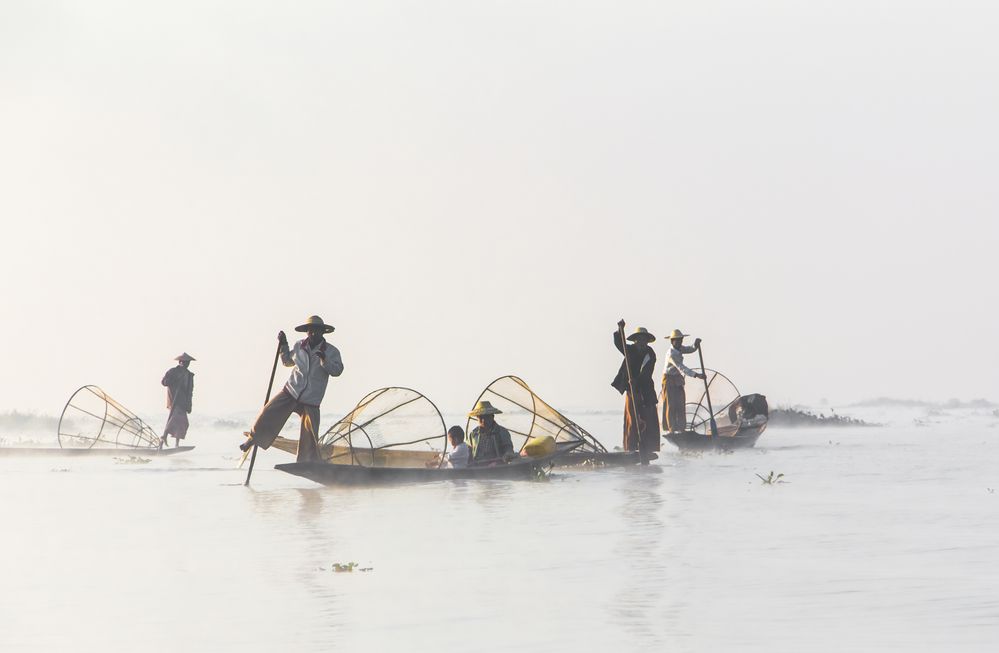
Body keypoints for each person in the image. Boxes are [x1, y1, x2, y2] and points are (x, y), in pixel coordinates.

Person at [239, 315, 344, 462]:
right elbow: (287, 361)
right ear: (307, 332)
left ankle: (306, 461)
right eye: (310, 331)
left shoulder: (332, 351)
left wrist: (324, 360)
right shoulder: (299, 345)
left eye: (317, 331)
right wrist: (283, 344)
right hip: (292, 390)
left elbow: (337, 371)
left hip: (311, 398)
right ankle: (252, 438)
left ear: (322, 332)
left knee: (310, 433)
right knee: (268, 412)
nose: (313, 334)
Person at [612, 321, 660, 458]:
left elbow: (646, 373)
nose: (641, 342)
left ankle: (648, 446)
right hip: (631, 389)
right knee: (632, 419)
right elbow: (618, 343)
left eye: (644, 339)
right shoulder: (630, 350)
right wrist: (619, 329)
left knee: (648, 417)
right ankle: (631, 447)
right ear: (635, 340)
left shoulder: (650, 354)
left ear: (647, 341)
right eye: (639, 339)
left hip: (645, 388)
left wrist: (636, 381)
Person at [661, 329, 706, 434]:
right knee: (671, 405)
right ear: (672, 341)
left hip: (677, 378)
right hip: (668, 379)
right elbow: (681, 367)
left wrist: (695, 345)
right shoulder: (671, 353)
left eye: (680, 340)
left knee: (680, 404)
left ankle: (681, 429)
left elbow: (689, 349)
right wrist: (696, 375)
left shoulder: (680, 348)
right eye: (676, 340)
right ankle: (671, 429)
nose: (679, 342)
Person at [161, 353, 195, 448]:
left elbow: (190, 391)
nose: (186, 364)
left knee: (183, 423)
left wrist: (189, 405)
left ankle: (176, 443)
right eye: (184, 362)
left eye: (188, 362)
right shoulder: (173, 372)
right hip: (174, 400)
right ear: (180, 362)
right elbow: (164, 382)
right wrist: (174, 380)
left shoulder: (189, 375)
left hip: (183, 402)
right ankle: (165, 436)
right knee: (176, 419)